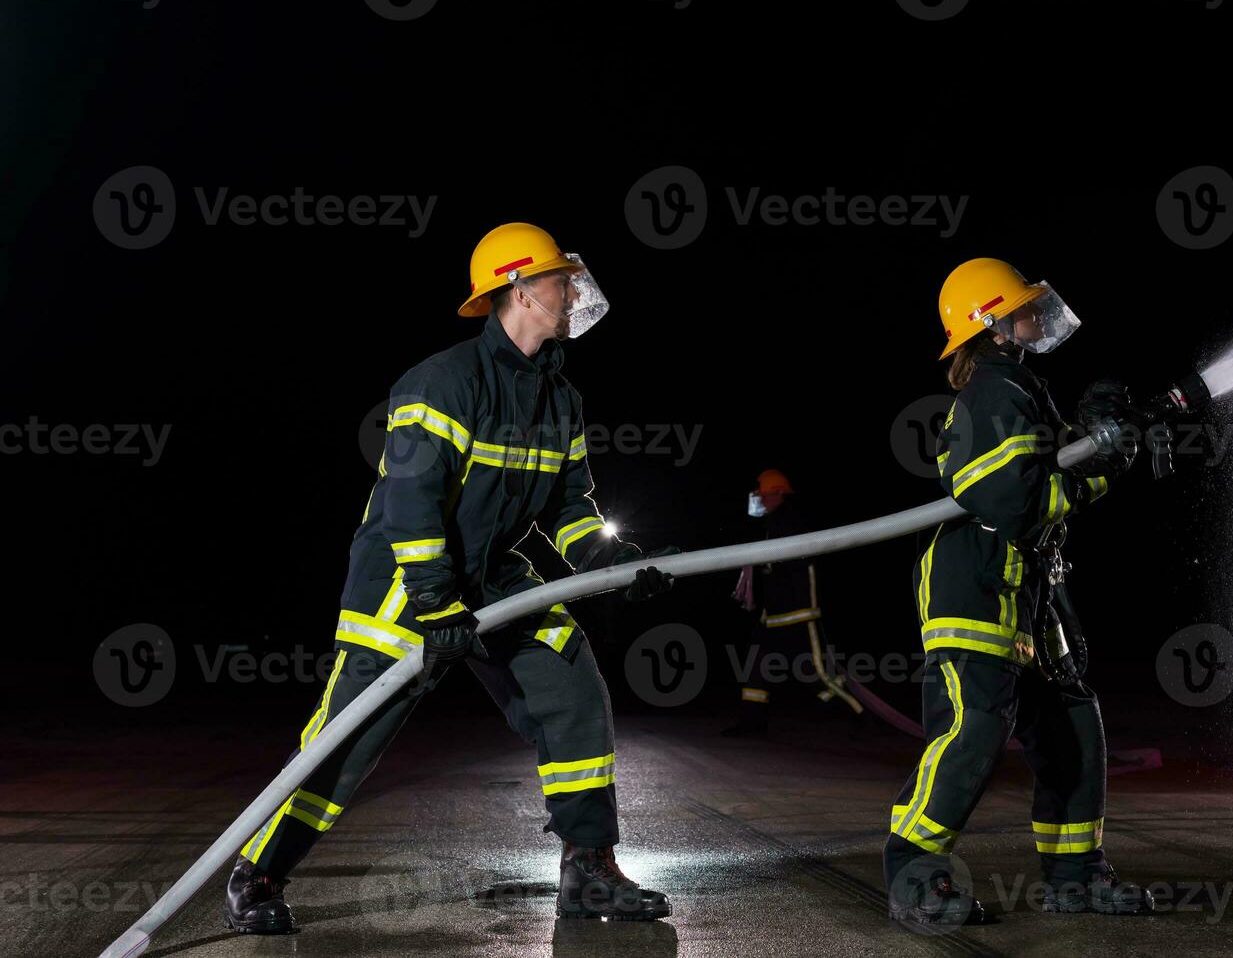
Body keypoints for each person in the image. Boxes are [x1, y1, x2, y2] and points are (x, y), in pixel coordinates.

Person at [225, 222, 678, 933]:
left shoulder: (560, 401)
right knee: (349, 736)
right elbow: (411, 502)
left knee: (571, 682)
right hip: (407, 582)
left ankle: (588, 867)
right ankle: (258, 870)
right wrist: (435, 604)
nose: (573, 291)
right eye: (562, 279)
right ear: (520, 288)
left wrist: (608, 563)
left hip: (491, 575)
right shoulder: (442, 382)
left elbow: (566, 506)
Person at [884, 257, 1154, 926]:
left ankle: (1076, 877)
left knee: (1071, 730)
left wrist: (1102, 441)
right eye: (1025, 306)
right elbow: (1017, 500)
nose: (1039, 313)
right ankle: (914, 877)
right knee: (973, 730)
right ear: (992, 322)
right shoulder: (991, 390)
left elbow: (1057, 481)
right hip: (975, 589)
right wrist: (1099, 459)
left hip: (1027, 590)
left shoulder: (1022, 388)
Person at [724, 470, 863, 737]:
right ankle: (752, 723)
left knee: (816, 676)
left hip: (798, 615)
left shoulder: (792, 521)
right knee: (756, 670)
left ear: (778, 494)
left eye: (764, 497)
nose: (760, 502)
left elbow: (799, 567)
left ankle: (858, 716)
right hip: (772, 617)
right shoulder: (771, 524)